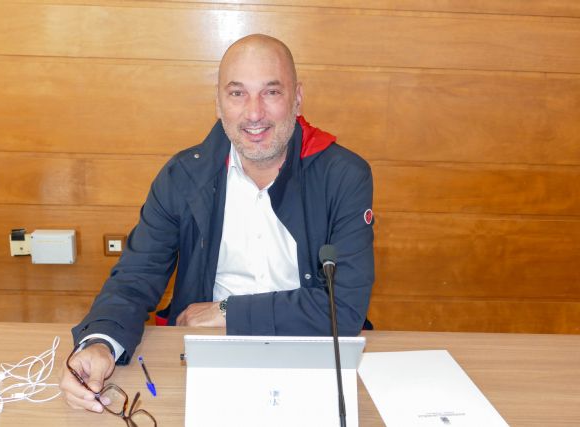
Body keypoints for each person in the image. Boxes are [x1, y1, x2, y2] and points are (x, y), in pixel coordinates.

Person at [60, 34, 375, 412]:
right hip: (210, 352)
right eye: (237, 93)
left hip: (309, 349)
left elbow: (343, 307)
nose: (254, 113)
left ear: (297, 98)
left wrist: (228, 310)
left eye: (271, 93)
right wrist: (101, 341)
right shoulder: (183, 175)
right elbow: (135, 276)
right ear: (218, 101)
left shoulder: (344, 176)